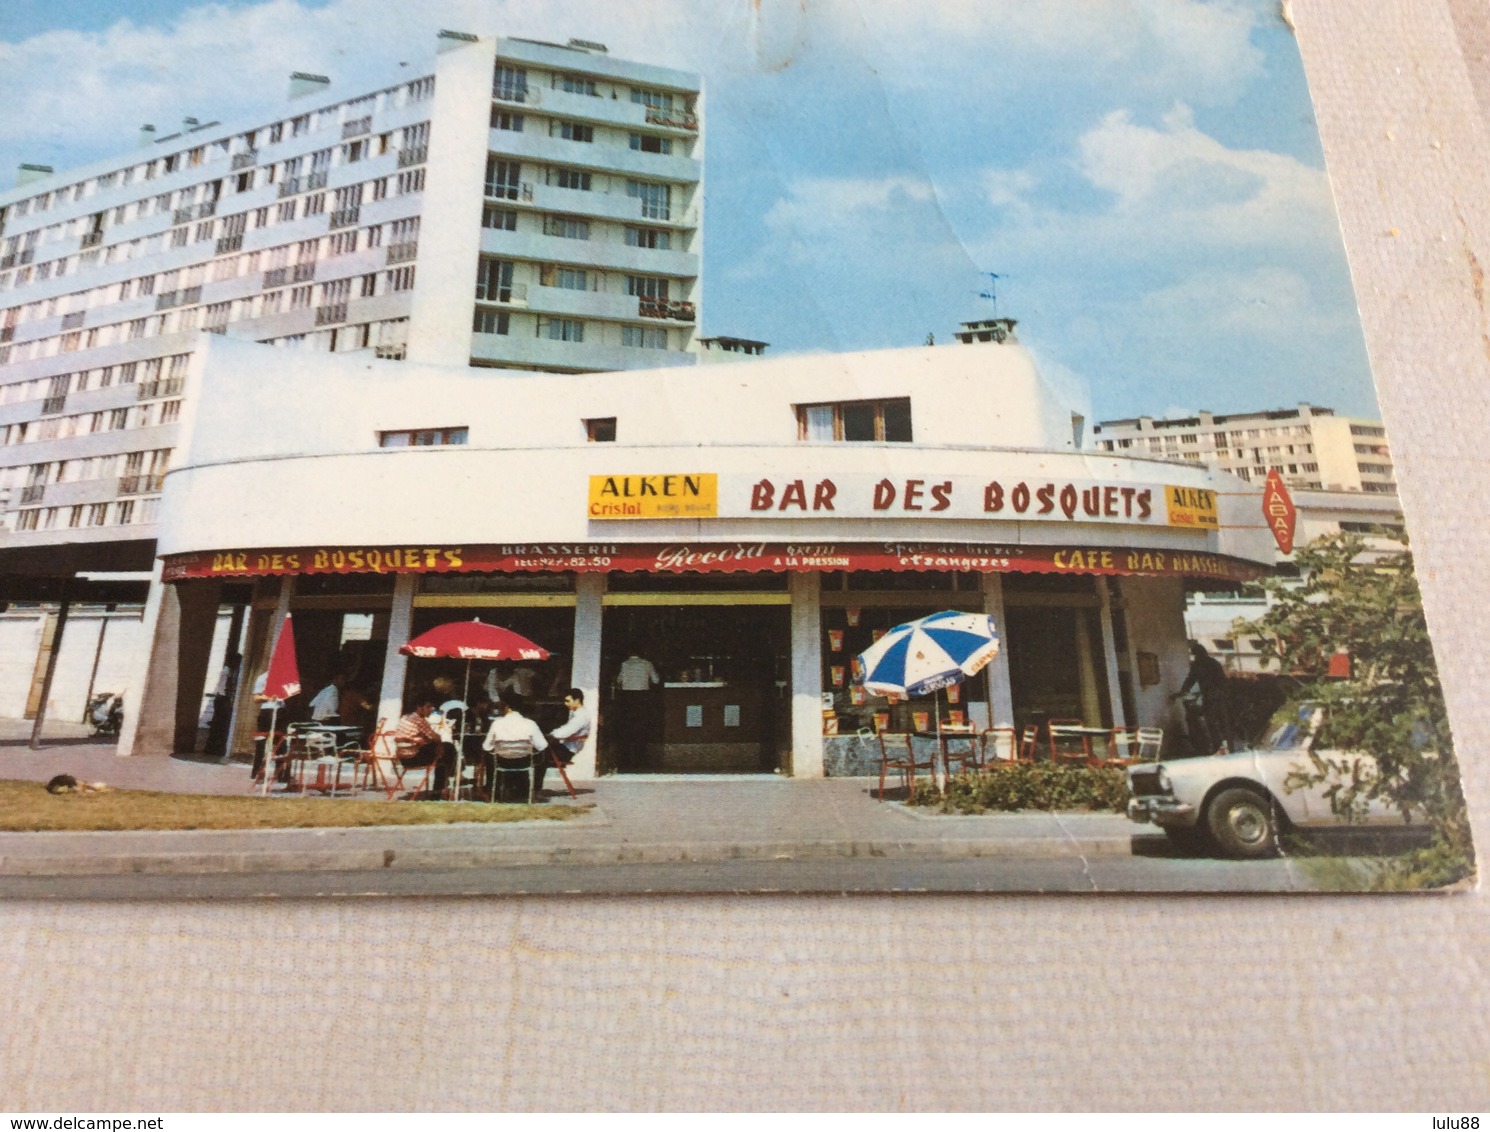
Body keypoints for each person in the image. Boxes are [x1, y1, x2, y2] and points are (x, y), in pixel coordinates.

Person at [481, 696, 549, 803]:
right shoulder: (530, 724)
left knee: (488, 755)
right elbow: (542, 745)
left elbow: (486, 746)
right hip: (524, 761)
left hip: (502, 761)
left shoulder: (496, 724)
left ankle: (492, 791)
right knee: (544, 755)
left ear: (507, 707)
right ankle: (535, 791)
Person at [1177, 641, 1233, 755]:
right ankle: (1227, 747)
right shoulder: (1213, 663)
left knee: (1213, 723)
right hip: (1218, 696)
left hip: (1212, 696)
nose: (1195, 657)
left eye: (1195, 654)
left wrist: (1184, 690)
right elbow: (1222, 681)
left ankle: (1219, 747)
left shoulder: (1199, 664)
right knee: (1222, 723)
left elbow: (1191, 679)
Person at [393, 697, 458, 797]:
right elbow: (436, 737)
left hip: (402, 757)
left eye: (431, 707)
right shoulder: (420, 720)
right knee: (448, 749)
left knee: (442, 753)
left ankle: (441, 785)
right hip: (413, 757)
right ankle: (442, 786)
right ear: (419, 708)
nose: (430, 709)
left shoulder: (405, 717)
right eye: (428, 707)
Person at [538, 688, 591, 797]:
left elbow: (567, 731)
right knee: (538, 752)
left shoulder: (581, 716)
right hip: (565, 746)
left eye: (568, 701)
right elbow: (565, 728)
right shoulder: (576, 713)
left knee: (539, 757)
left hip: (567, 751)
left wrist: (551, 735)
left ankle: (534, 789)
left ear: (577, 700)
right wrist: (552, 733)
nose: (566, 704)